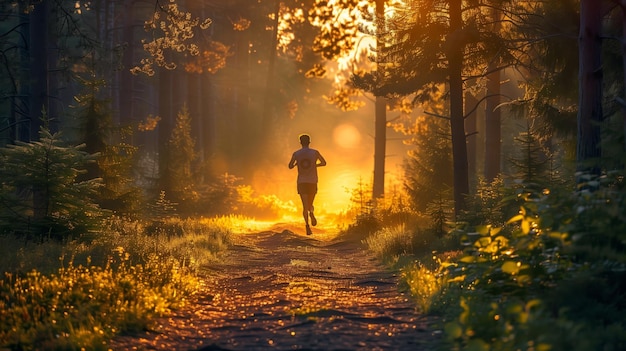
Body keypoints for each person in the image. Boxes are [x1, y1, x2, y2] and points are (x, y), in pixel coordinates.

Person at [288, 134, 327, 235]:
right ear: (309, 142)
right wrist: (315, 165)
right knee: (310, 203)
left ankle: (307, 226)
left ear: (300, 142)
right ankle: (312, 212)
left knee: (304, 205)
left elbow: (290, 166)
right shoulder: (315, 153)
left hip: (301, 181)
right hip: (313, 181)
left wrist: (297, 164)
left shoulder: (296, 154)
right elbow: (324, 163)